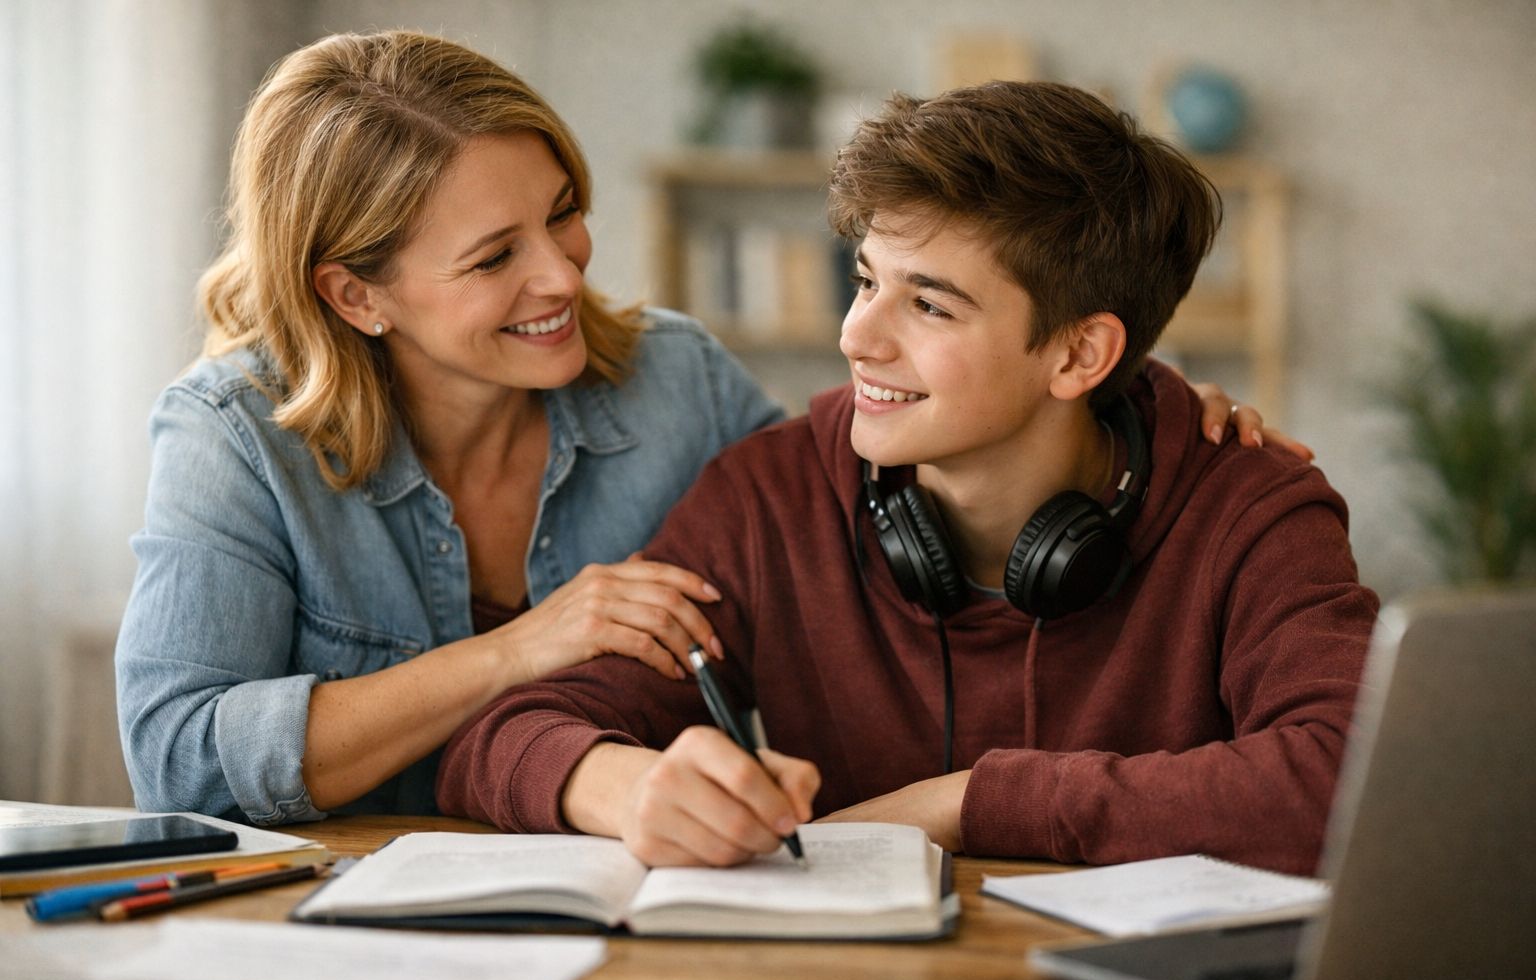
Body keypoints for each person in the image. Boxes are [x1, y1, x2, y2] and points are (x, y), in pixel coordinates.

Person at [116, 32, 1289, 828]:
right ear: (356, 295)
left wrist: (1139, 406)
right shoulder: (233, 434)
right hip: (317, 906)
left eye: (564, 215)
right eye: (493, 256)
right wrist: (528, 660)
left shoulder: (673, 381)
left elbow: (865, 481)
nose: (562, 274)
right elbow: (177, 761)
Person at [436, 82, 1378, 877]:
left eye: (929, 304)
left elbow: (1354, 780)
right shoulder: (773, 494)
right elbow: (504, 735)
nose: (857, 337)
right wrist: (629, 787)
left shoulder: (1252, 506)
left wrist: (966, 803)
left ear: (1079, 355)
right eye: (865, 280)